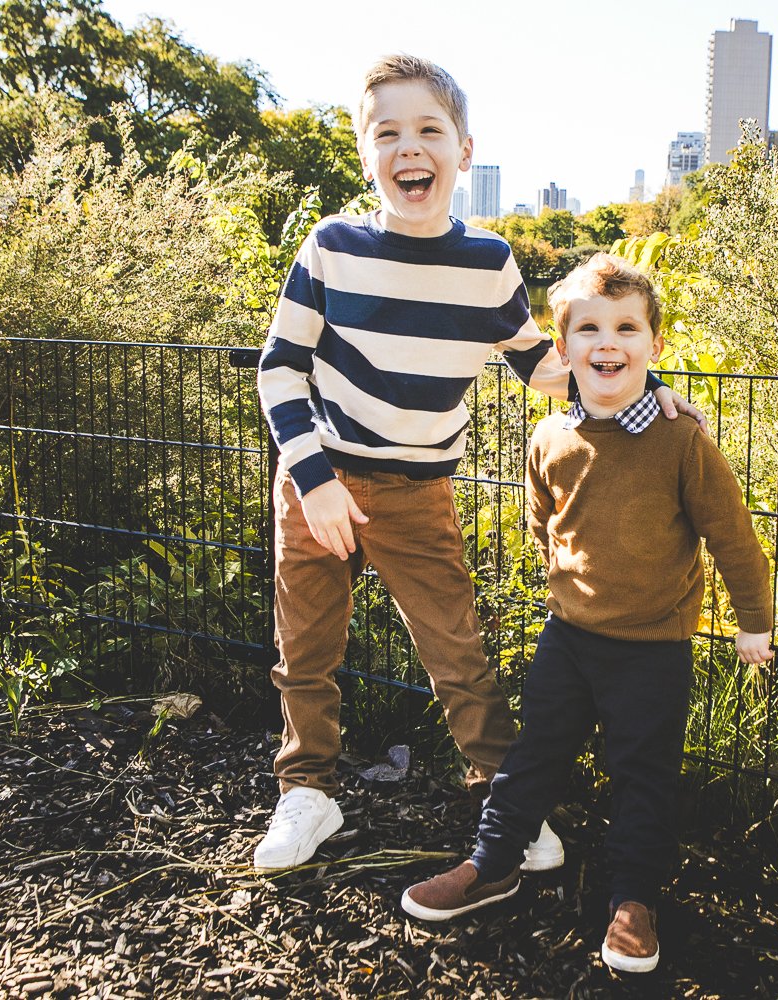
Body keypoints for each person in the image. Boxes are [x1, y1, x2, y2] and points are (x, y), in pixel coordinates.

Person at [253, 56, 705, 872]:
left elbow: (540, 360)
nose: (408, 147)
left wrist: (652, 385)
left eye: (429, 129)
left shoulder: (487, 262)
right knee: (305, 651)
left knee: (457, 652)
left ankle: (508, 799)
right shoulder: (330, 249)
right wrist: (313, 480)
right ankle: (306, 793)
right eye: (386, 133)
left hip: (419, 492)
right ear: (366, 154)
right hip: (319, 481)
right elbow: (280, 368)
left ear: (464, 150)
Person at [399, 254, 775, 974]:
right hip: (567, 638)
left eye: (627, 328)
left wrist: (753, 621)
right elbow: (544, 521)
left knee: (643, 775)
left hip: (653, 650)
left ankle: (634, 902)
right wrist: (561, 584)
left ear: (654, 347)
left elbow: (733, 538)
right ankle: (493, 864)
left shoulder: (682, 441)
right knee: (531, 757)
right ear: (561, 347)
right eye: (590, 329)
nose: (609, 343)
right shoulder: (549, 438)